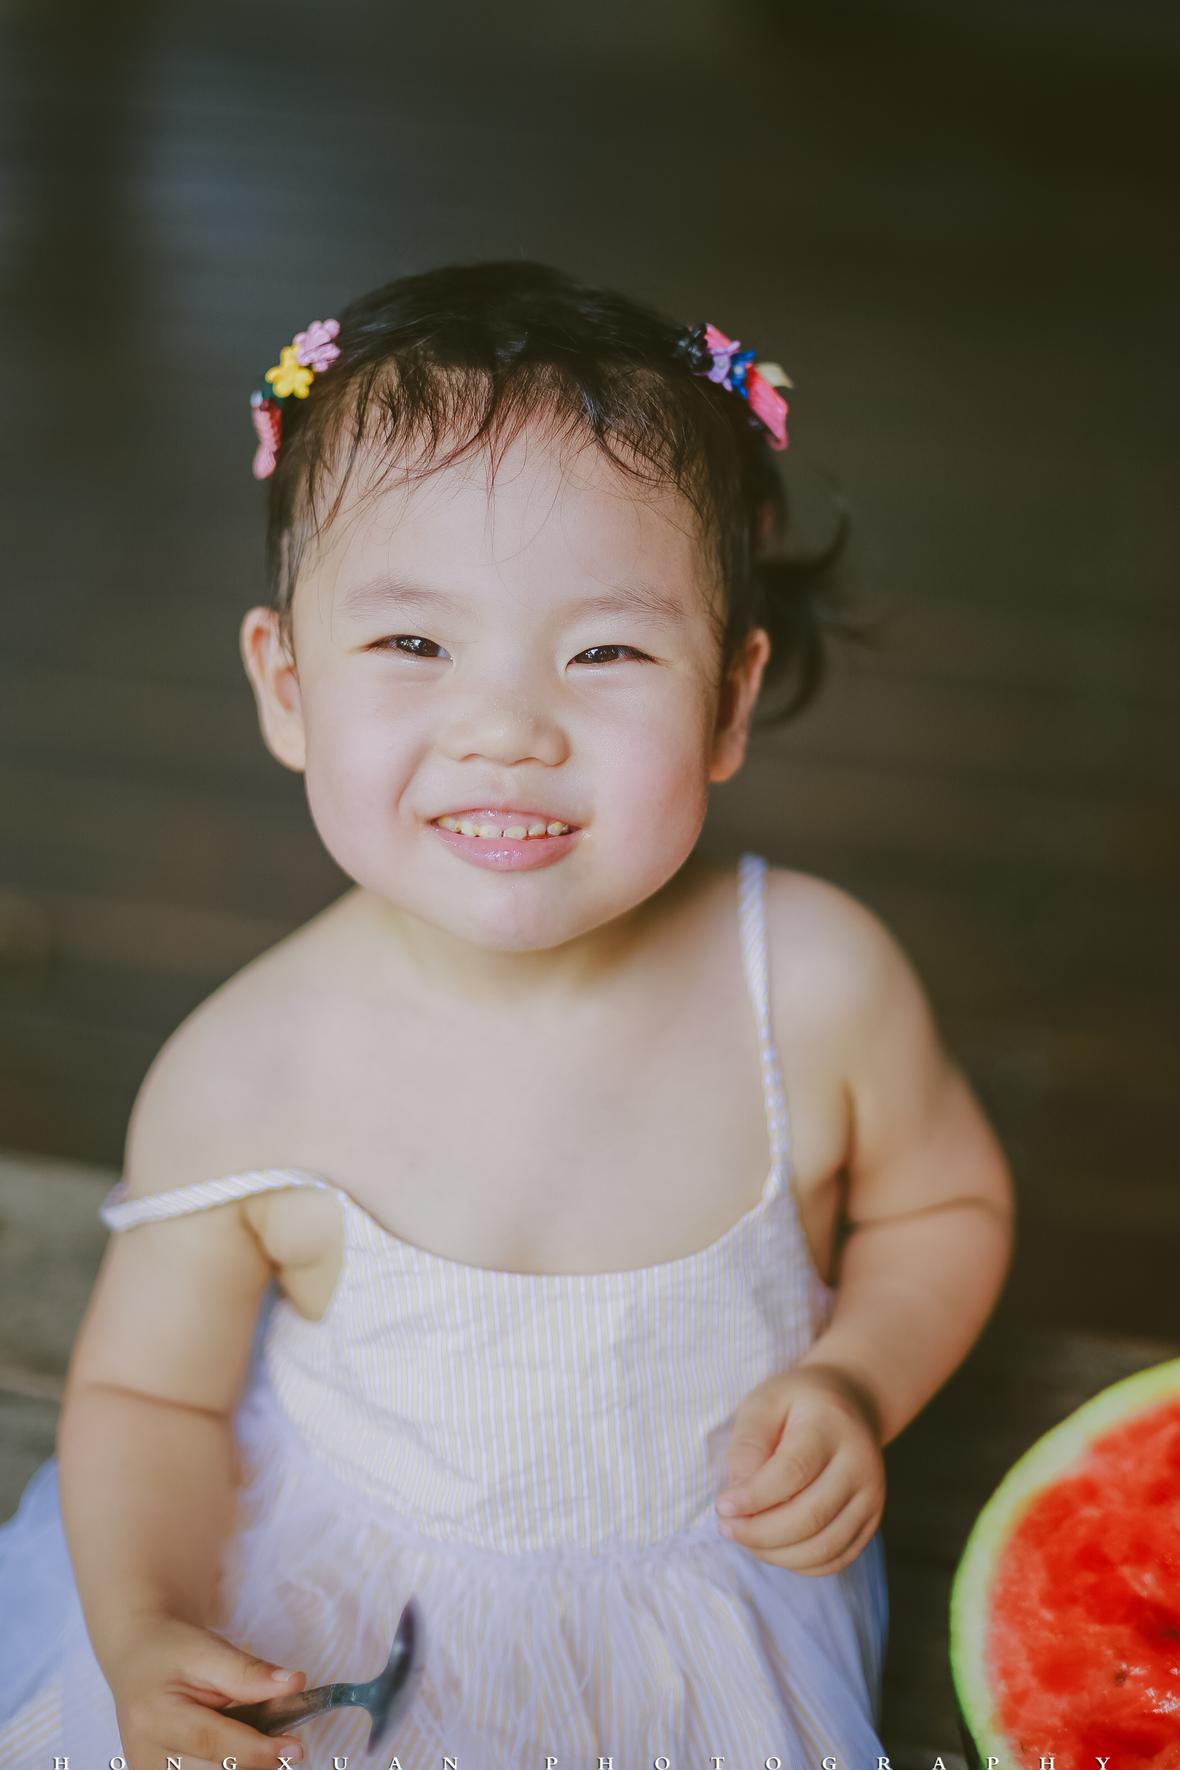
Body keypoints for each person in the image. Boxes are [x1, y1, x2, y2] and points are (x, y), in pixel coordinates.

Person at [0, 259, 1015, 1768]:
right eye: (413, 644)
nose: (507, 728)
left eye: (607, 651)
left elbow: (945, 1204)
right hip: (340, 1613)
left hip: (698, 1625)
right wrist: (145, 1625)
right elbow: (151, 1393)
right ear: (286, 685)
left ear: (731, 700)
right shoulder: (247, 1071)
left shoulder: (809, 982)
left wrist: (858, 1375)